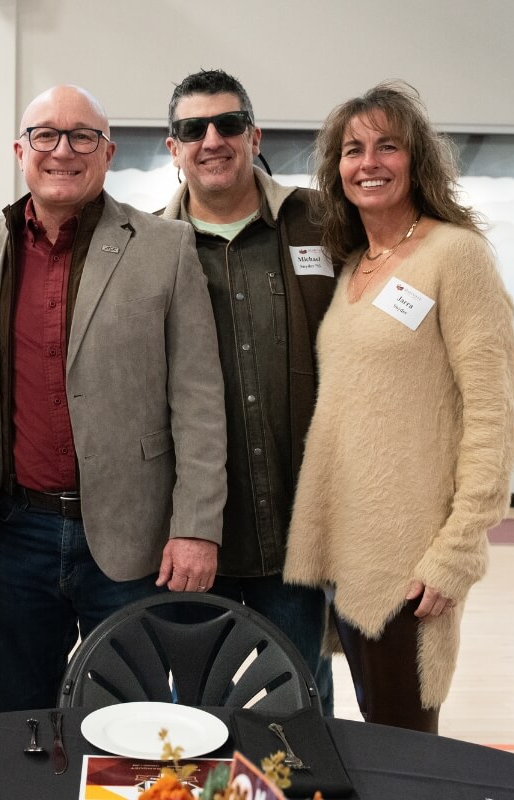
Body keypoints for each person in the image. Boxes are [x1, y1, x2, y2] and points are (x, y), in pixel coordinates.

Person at [0, 85, 227, 712]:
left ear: (107, 154)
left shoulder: (165, 246)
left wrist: (196, 528)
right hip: (16, 535)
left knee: (127, 727)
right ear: (19, 151)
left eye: (82, 137)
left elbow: (200, 402)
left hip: (133, 540)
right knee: (23, 723)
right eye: (45, 135)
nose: (63, 151)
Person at [284, 82, 514, 732]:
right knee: (377, 743)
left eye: (388, 145)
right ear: (337, 168)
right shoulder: (357, 263)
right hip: (349, 553)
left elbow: (493, 419)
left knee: (405, 754)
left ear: (417, 158)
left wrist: (457, 551)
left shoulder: (456, 256)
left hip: (410, 562)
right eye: (354, 149)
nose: (370, 162)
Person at [158, 69, 335, 710]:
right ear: (172, 147)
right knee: (198, 713)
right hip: (189, 535)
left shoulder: (321, 221)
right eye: (192, 129)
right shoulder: (148, 246)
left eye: (228, 124)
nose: (212, 139)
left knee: (298, 710)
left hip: (296, 528)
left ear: (253, 135)